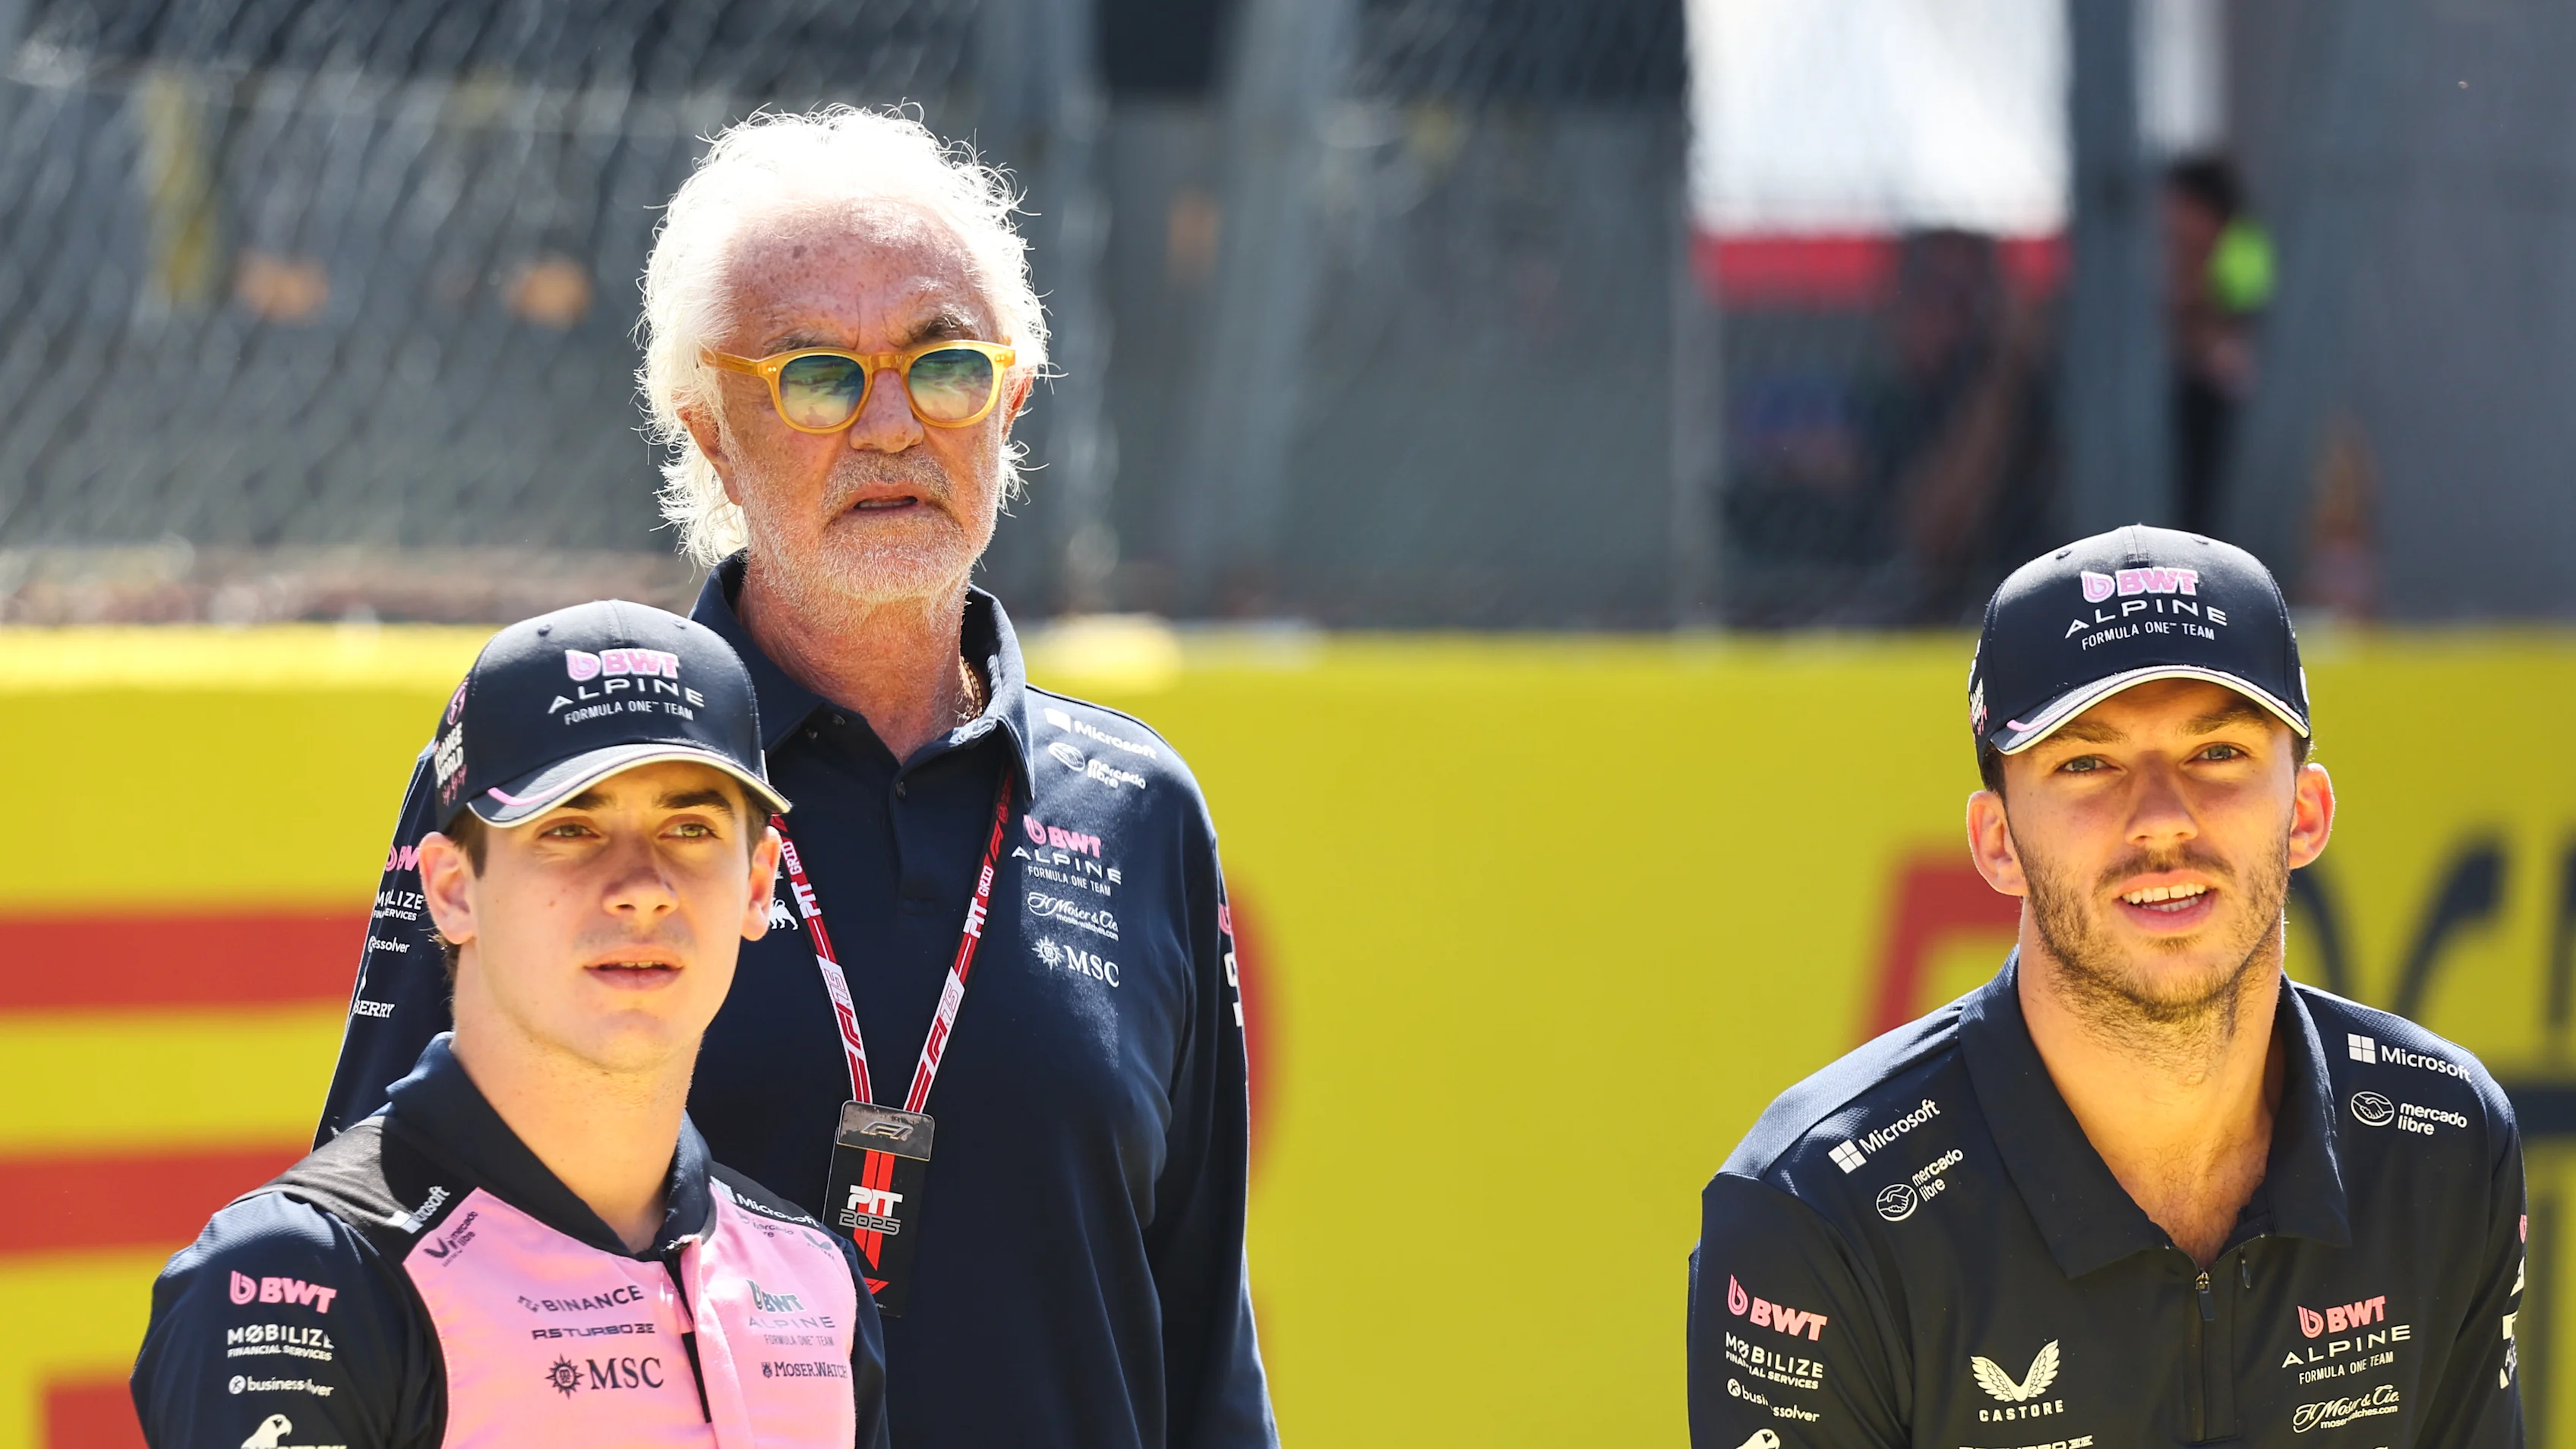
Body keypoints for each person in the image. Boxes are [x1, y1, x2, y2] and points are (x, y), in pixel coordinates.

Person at [315, 108, 1274, 1449]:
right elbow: (373, 1256)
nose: (889, 423)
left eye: (942, 364)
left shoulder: (1143, 808)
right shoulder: (547, 771)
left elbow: (1199, 1349)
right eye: (817, 375)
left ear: (1007, 400)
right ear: (710, 432)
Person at [1688, 526, 2524, 1447]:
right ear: (1996, 841)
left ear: (2305, 812)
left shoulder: (2440, 1142)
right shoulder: (1817, 1212)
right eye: (2086, 764)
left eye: (2217, 754)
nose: (2161, 819)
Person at [134, 599, 890, 1447]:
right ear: (454, 890)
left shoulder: (813, 1280)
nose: (642, 886)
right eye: (570, 828)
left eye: (689, 827)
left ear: (756, 886)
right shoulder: (301, 1278)